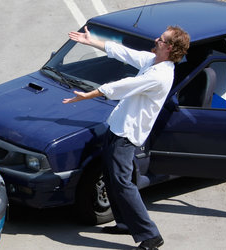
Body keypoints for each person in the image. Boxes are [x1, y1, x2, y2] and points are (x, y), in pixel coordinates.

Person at [62, 26, 190, 250]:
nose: (155, 39)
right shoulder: (153, 61)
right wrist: (91, 42)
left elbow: (124, 86)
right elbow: (123, 52)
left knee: (122, 183)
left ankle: (150, 235)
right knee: (114, 178)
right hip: (117, 127)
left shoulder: (160, 75)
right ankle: (124, 223)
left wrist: (89, 95)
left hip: (127, 135)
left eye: (161, 39)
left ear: (169, 48)